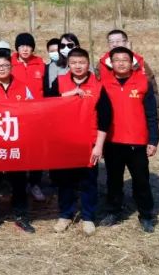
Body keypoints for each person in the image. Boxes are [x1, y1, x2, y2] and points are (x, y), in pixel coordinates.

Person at [49, 47, 110, 235]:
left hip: (88, 142)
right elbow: (47, 104)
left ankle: (88, 217)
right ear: (68, 64)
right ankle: (65, 215)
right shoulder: (59, 82)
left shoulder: (98, 86)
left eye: (82, 62)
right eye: (74, 62)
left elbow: (105, 118)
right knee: (65, 181)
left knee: (88, 181)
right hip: (65, 141)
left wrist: (99, 145)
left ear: (88, 64)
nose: (78, 66)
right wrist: (67, 95)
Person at [99, 46, 159, 233]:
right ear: (111, 63)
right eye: (116, 60)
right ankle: (113, 211)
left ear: (132, 63)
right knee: (113, 180)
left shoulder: (143, 83)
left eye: (125, 59)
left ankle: (146, 215)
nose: (121, 63)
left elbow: (151, 114)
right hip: (113, 141)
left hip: (137, 142)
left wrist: (153, 140)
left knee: (141, 180)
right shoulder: (103, 84)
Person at [0, 51, 35, 233]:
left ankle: (21, 216)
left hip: (16, 141)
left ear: (11, 66)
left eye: (5, 65)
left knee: (19, 181)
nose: (1, 69)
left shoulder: (23, 87)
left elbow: (33, 110)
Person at [11, 32, 47, 202]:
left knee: (36, 149)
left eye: (28, 46)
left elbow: (46, 88)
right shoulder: (9, 63)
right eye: (22, 46)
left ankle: (35, 183)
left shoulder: (40, 64)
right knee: (17, 148)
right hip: (16, 114)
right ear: (16, 48)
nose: (25, 49)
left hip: (37, 114)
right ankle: (17, 184)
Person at [100, 29, 157, 94]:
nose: (114, 44)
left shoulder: (139, 62)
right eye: (111, 42)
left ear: (126, 42)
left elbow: (152, 87)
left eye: (118, 41)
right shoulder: (102, 63)